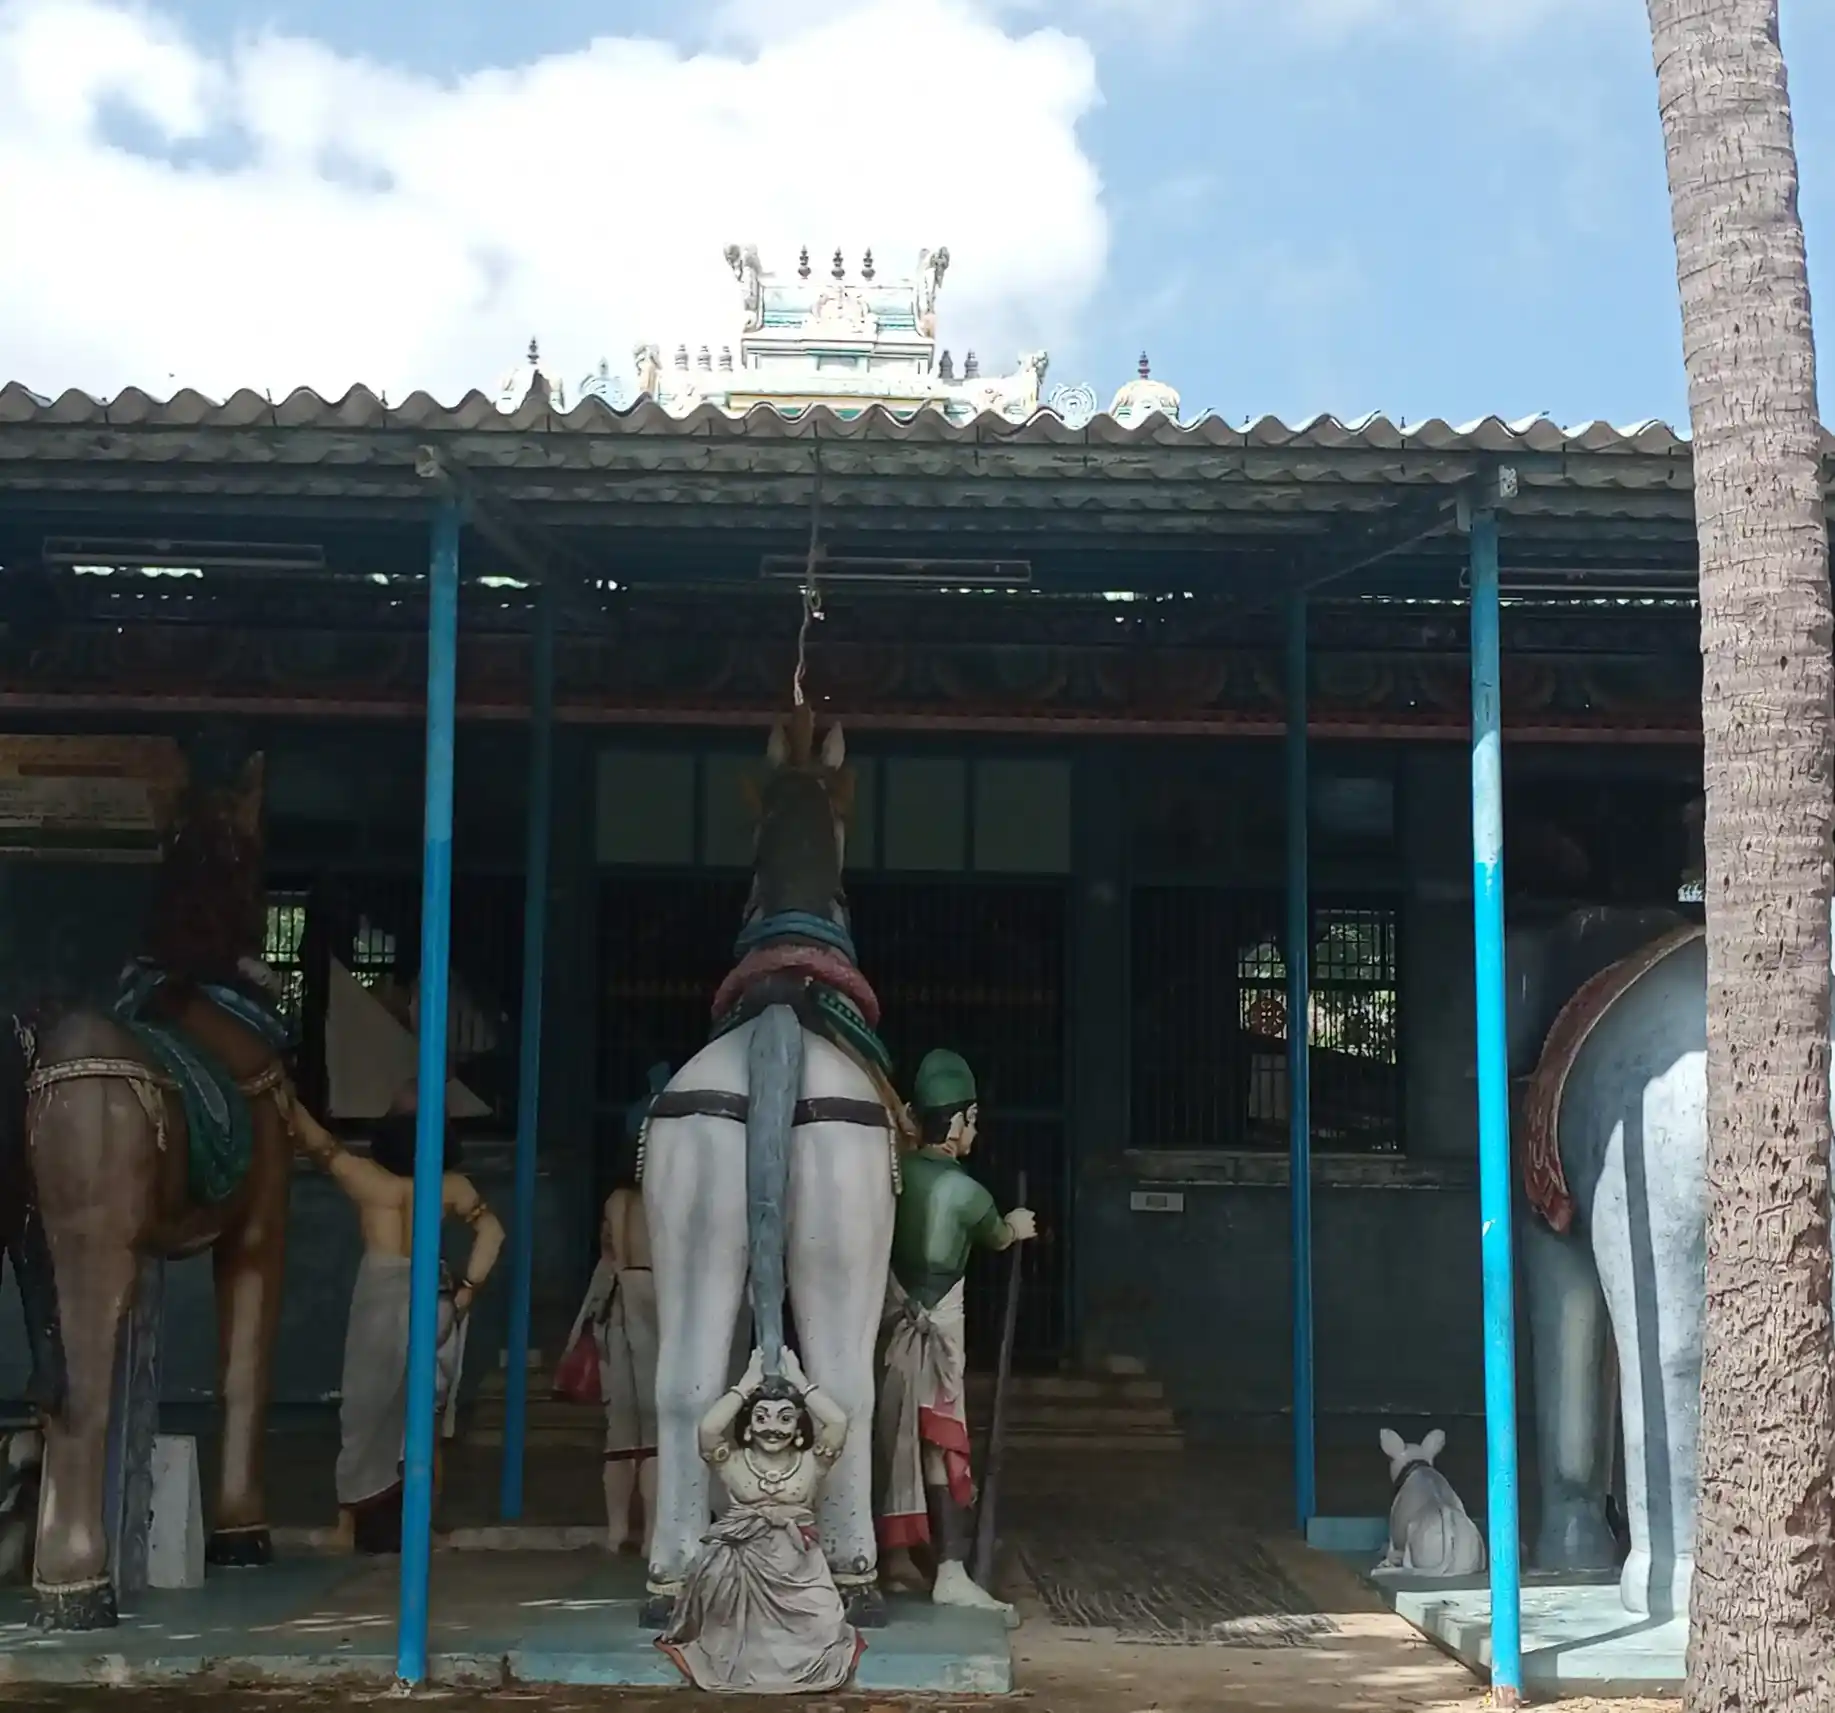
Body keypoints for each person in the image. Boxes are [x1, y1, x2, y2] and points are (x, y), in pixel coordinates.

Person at [282, 1081, 504, 1554]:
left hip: (380, 1300)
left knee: (363, 1413)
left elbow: (317, 1142)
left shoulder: (368, 1180)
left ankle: (347, 1527)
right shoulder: (453, 1187)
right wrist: (467, 1291)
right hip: (435, 1297)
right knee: (426, 1416)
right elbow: (493, 1233)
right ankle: (425, 1530)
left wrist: (283, 1094)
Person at [874, 1049, 1035, 1613]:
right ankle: (948, 1569)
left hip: (889, 1321)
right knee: (940, 1442)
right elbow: (997, 1235)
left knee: (887, 1435)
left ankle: (890, 1559)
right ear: (960, 1121)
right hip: (938, 1324)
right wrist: (1018, 1227)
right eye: (973, 1119)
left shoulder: (892, 1176)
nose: (976, 1130)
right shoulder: (968, 1193)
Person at [658, 1345, 861, 1693]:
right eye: (762, 1417)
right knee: (724, 1622)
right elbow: (708, 1429)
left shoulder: (812, 1462)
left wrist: (800, 1382)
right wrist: (744, 1386)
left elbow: (838, 1421)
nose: (773, 1428)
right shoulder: (733, 1461)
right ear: (749, 1426)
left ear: (798, 1427)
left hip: (799, 1567)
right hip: (740, 1561)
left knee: (825, 1621)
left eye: (785, 1419)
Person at [563, 1065, 667, 1554]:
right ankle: (650, 1537)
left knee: (620, 1429)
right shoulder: (663, 1199)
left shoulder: (614, 1199)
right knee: (658, 1430)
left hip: (616, 1309)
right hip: (653, 1303)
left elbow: (608, 1258)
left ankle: (615, 1532)